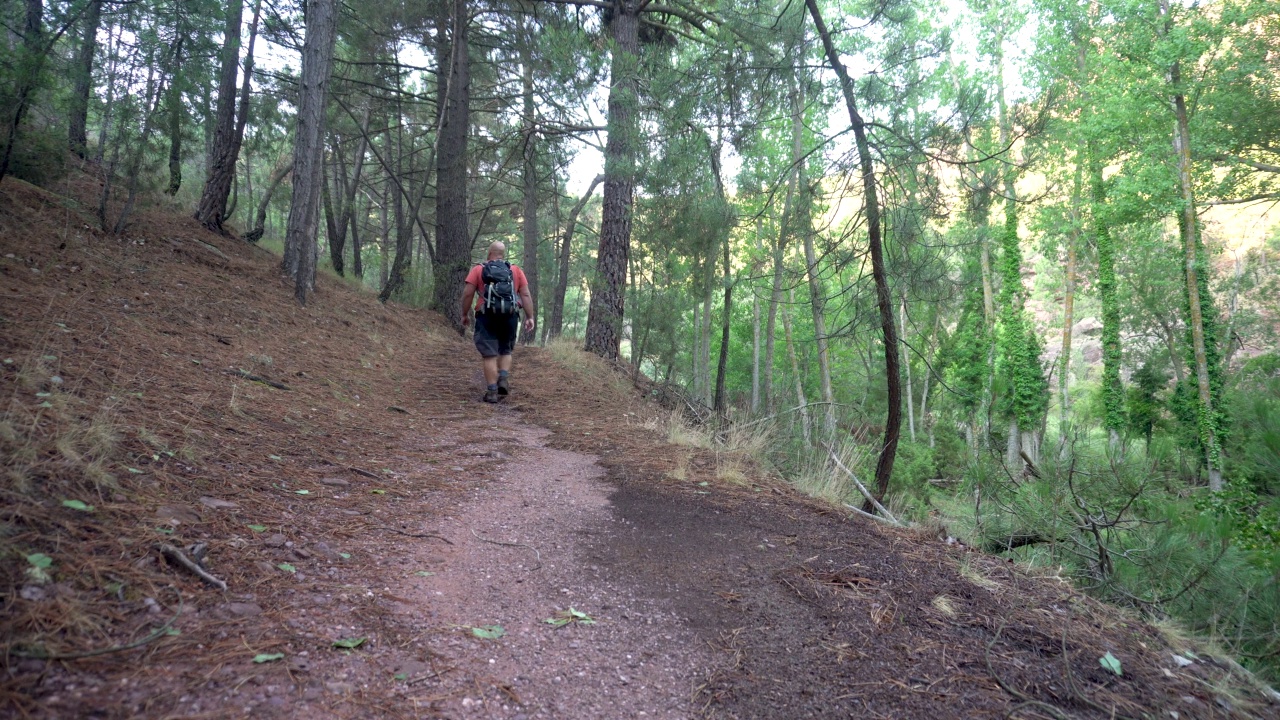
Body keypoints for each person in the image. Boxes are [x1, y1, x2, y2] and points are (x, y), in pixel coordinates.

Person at [460, 242, 535, 403]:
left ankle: (492, 391)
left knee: (489, 355)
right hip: (510, 315)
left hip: (485, 315)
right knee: (505, 350)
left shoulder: (479, 269)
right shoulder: (515, 270)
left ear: (489, 253)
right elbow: (526, 295)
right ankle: (503, 378)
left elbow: (467, 294)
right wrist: (530, 317)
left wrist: (464, 314)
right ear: (503, 253)